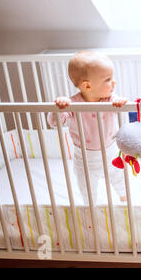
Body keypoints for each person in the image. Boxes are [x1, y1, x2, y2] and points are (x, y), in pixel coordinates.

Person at [48, 50, 128, 205]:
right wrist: (58, 108)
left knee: (120, 179)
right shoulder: (72, 104)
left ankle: (125, 199)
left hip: (111, 155)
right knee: (87, 189)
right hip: (84, 160)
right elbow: (54, 123)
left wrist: (120, 101)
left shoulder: (110, 100)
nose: (114, 82)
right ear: (87, 85)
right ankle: (90, 208)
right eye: (108, 79)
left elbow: (119, 100)